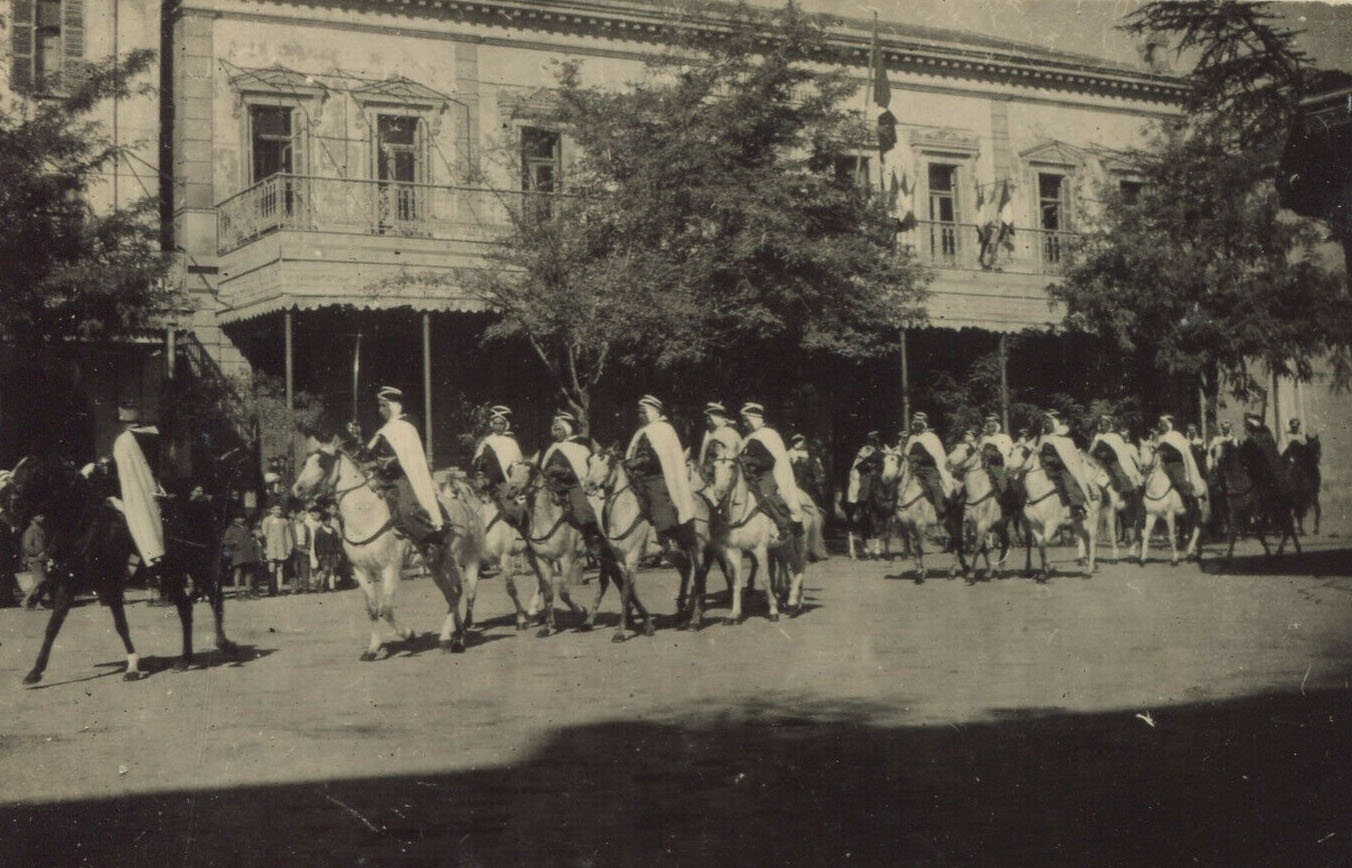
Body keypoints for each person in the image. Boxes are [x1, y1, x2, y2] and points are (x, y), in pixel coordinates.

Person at [351, 385, 448, 570]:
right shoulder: (384, 431)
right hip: (382, 479)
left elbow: (401, 459)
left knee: (407, 510)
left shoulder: (406, 426)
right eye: (379, 406)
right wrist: (358, 437)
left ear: (394, 406)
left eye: (383, 406)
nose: (380, 410)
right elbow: (365, 456)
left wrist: (381, 466)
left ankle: (433, 540)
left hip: (402, 478)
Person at [539, 410, 622, 579]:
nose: (556, 432)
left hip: (573, 485)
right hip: (552, 486)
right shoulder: (552, 448)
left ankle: (593, 540)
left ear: (567, 428)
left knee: (582, 510)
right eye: (554, 429)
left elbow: (584, 470)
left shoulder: (580, 446)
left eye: (559, 429)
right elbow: (543, 469)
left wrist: (564, 472)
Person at [623, 395, 699, 551]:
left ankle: (669, 538)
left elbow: (659, 457)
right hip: (637, 477)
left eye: (643, 412)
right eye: (639, 412)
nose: (640, 415)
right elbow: (632, 453)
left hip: (656, 476)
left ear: (653, 412)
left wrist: (639, 462)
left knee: (658, 498)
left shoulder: (663, 429)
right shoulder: (641, 432)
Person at [107, 403, 167, 585]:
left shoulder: (124, 441)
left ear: (123, 421)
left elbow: (120, 471)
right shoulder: (154, 435)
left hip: (135, 491)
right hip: (155, 488)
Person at [737, 402, 804, 543]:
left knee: (766, 494)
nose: (744, 424)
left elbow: (770, 460)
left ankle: (784, 526)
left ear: (753, 419)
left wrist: (751, 461)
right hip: (749, 475)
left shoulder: (768, 434)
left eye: (746, 421)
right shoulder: (749, 437)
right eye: (744, 421)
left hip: (767, 473)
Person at [472, 405, 526, 528]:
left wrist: (489, 480)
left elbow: (511, 468)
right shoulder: (487, 441)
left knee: (512, 509)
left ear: (506, 425)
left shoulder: (510, 443)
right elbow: (479, 461)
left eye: (501, 423)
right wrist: (479, 474)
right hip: (483, 483)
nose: (497, 426)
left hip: (503, 483)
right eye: (495, 423)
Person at [1035, 410, 1092, 519]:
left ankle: (1078, 508)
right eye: (1045, 423)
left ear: (1055, 424)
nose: (1046, 425)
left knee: (1068, 482)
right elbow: (1038, 452)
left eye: (1049, 423)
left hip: (1060, 468)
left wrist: (1056, 461)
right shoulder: (1043, 438)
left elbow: (1068, 457)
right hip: (1046, 468)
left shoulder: (1064, 439)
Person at [1155, 414, 1206, 526]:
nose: (1161, 426)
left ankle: (1190, 502)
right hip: (1163, 465)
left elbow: (1181, 452)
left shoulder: (1176, 435)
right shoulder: (1160, 437)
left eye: (1163, 424)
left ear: (1169, 424)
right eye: (1160, 424)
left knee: (1180, 482)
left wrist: (1167, 454)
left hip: (1176, 465)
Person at [900, 412, 954, 515]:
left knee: (933, 485)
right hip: (914, 470)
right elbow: (907, 453)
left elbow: (936, 456)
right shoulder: (912, 438)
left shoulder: (931, 437)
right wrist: (909, 458)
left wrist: (920, 459)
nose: (917, 427)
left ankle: (941, 510)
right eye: (915, 424)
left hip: (929, 469)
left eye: (919, 425)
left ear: (924, 425)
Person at [1241, 411, 1294, 501]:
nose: (1247, 424)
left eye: (1249, 422)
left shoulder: (1264, 431)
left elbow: (1267, 447)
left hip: (1266, 462)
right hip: (1252, 462)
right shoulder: (1249, 433)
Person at [1089, 414, 1142, 497]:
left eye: (1105, 425)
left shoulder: (1115, 436)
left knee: (1120, 473)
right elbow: (1092, 450)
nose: (1103, 427)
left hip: (1115, 460)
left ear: (1109, 425)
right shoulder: (1098, 436)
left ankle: (1126, 491)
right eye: (1101, 425)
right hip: (1100, 461)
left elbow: (1121, 452)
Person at [696, 402, 743, 484]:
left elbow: (729, 457)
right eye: (707, 419)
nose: (708, 422)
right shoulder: (709, 433)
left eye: (710, 419)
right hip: (709, 470)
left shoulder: (729, 432)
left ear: (716, 418)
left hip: (724, 471)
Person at [221, 514, 260, 598]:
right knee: (238, 572)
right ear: (235, 519)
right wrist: (233, 542)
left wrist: (253, 542)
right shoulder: (230, 528)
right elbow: (225, 540)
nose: (241, 519)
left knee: (249, 573)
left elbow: (252, 538)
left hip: (248, 553)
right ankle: (237, 591)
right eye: (238, 517)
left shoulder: (246, 528)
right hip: (237, 553)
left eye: (242, 518)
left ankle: (248, 591)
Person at [978, 415, 1014, 497]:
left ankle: (1005, 499)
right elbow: (980, 451)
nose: (990, 428)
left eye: (992, 426)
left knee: (1002, 483)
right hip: (985, 466)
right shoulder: (984, 438)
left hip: (999, 465)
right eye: (988, 426)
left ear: (997, 426)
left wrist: (994, 454)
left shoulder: (1004, 437)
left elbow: (1008, 452)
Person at [787, 433, 826, 508]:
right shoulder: (790, 453)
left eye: (800, 441)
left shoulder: (811, 454)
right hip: (797, 481)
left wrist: (819, 476)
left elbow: (818, 468)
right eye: (795, 441)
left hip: (811, 481)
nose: (797, 443)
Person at [21, 513, 50, 610]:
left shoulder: (40, 529)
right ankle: (25, 600)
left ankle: (37, 603)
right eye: (40, 516)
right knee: (40, 580)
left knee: (44, 582)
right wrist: (38, 553)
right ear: (33, 517)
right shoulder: (31, 530)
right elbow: (27, 546)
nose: (43, 518)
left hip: (42, 559)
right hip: (35, 559)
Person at [261, 505, 291, 596]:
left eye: (279, 509)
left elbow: (287, 535)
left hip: (281, 547)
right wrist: (265, 547)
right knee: (271, 567)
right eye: (275, 509)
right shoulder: (267, 520)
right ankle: (272, 589)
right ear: (271, 510)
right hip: (271, 547)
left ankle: (279, 588)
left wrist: (289, 548)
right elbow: (264, 534)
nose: (278, 511)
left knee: (280, 568)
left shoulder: (284, 521)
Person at [313, 510, 341, 591]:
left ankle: (332, 587)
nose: (328, 522)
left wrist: (338, 553)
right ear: (322, 521)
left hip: (333, 554)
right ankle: (321, 585)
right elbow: (316, 544)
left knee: (333, 570)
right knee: (326, 569)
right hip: (323, 554)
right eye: (326, 521)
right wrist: (318, 554)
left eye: (329, 520)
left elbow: (336, 543)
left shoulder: (333, 530)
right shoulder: (319, 531)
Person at [289, 508, 313, 593]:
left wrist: (308, 548)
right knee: (294, 568)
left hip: (304, 548)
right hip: (294, 548)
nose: (305, 516)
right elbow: (289, 537)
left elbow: (309, 538)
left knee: (305, 568)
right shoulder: (291, 526)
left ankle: (305, 588)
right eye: (303, 514)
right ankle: (294, 588)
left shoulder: (306, 527)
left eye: (305, 514)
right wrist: (294, 547)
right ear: (297, 515)